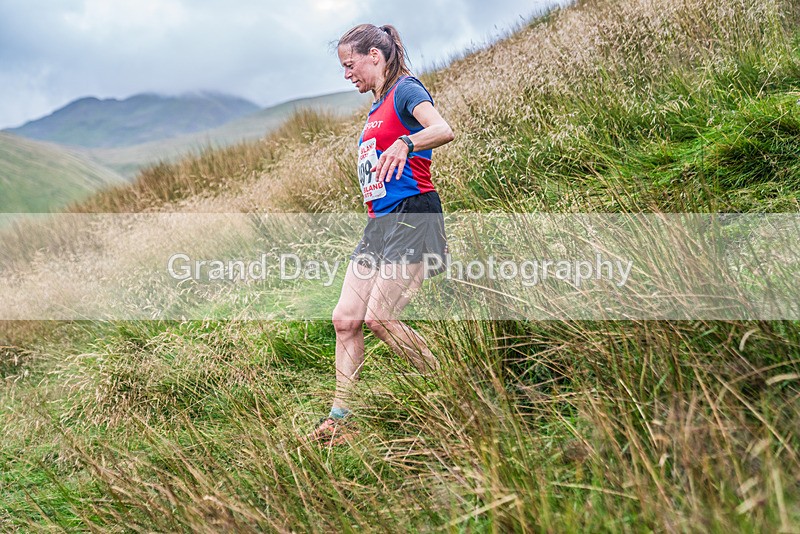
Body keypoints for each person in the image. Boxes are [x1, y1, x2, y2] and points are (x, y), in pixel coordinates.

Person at [305, 23, 455, 446]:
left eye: (350, 65)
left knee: (380, 318)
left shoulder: (406, 90)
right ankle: (340, 418)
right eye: (343, 68)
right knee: (346, 319)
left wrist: (406, 144)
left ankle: (451, 387)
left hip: (414, 215)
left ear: (375, 55)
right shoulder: (375, 108)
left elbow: (443, 129)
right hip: (380, 225)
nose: (347, 74)